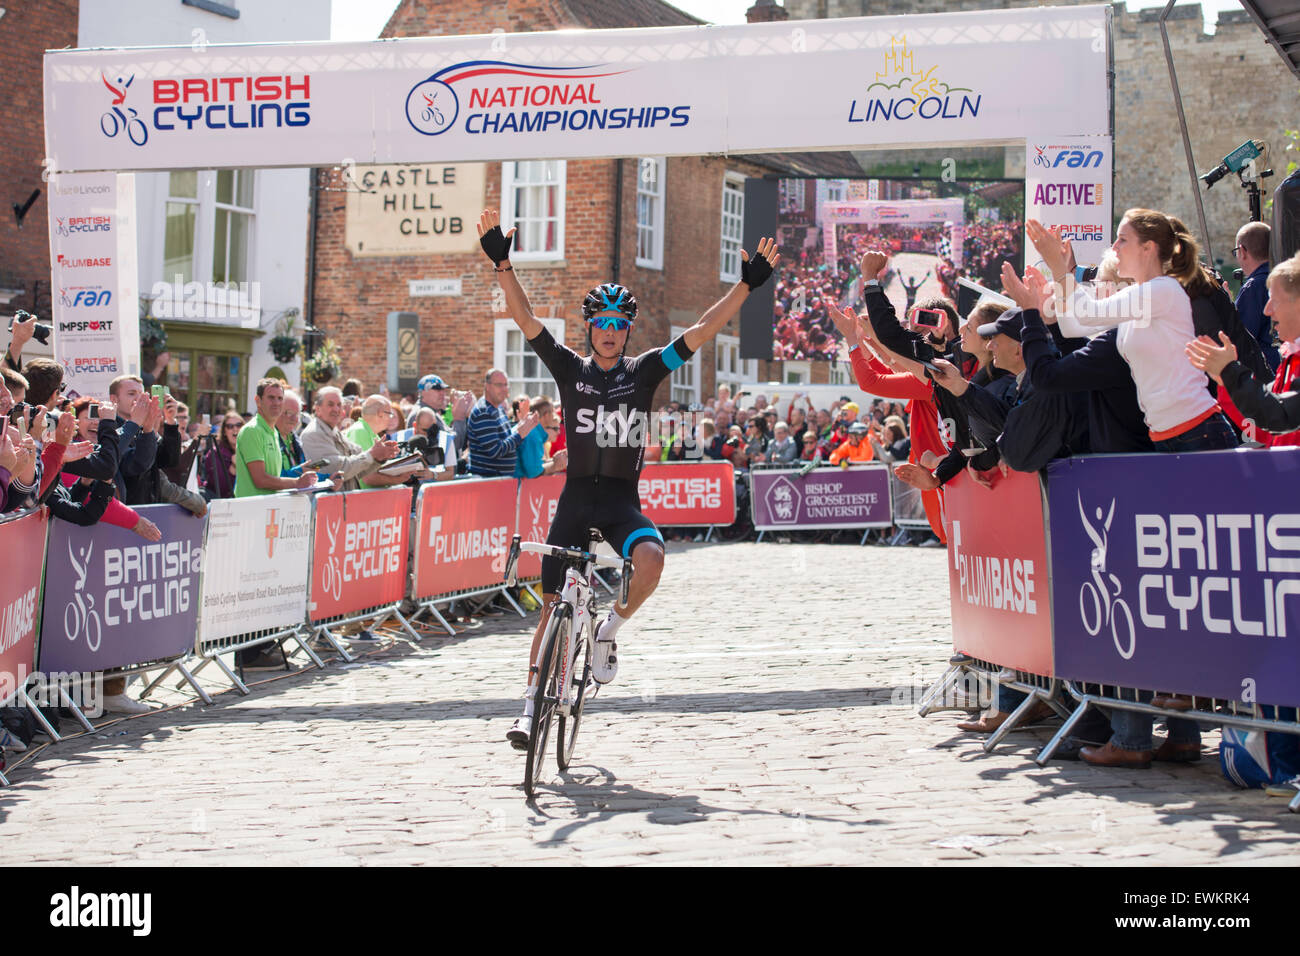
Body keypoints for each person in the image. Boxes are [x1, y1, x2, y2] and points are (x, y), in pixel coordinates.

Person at [477, 208, 778, 750]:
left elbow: (701, 331)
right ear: (590, 328)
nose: (611, 333)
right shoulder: (570, 369)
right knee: (550, 608)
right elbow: (524, 319)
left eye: (620, 325)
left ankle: (609, 629)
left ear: (627, 331)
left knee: (654, 560)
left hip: (619, 504)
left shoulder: (644, 372)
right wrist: (502, 263)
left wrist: (745, 288)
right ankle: (527, 711)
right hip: (574, 503)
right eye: (603, 324)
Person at [1187, 252, 1300, 434]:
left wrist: (1229, 371)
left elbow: (1279, 417)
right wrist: (1225, 380)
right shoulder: (1290, 357)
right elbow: (1263, 430)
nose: (1267, 310)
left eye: (1276, 300)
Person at [300, 386, 400, 492]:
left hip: (340, 502)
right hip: (325, 505)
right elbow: (338, 469)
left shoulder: (335, 432)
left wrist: (380, 456)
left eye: (339, 405)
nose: (336, 409)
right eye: (330, 404)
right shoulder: (314, 434)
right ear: (318, 409)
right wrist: (372, 454)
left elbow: (358, 468)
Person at [234, 379, 318, 497]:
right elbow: (260, 480)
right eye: (271, 398)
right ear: (258, 401)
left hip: (270, 508)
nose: (276, 403)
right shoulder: (252, 430)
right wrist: (297, 482)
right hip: (251, 510)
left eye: (280, 398)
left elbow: (275, 477)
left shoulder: (273, 432)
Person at [467, 369, 538, 477]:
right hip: (487, 481)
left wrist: (522, 425)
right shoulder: (484, 412)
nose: (504, 389)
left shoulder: (498, 408)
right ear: (487, 386)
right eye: (499, 385)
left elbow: (506, 437)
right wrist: (520, 434)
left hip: (499, 481)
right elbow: (496, 451)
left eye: (506, 385)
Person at [1234, 221, 1276, 371]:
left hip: (1266, 372)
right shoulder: (1283, 280)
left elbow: (1241, 338)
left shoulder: (1253, 288)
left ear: (1242, 251)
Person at [514, 397, 568, 478]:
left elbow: (535, 465)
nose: (554, 415)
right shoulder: (532, 432)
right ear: (546, 415)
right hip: (510, 487)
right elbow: (534, 472)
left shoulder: (532, 430)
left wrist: (554, 461)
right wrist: (555, 465)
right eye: (553, 412)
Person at [203, 412, 242, 499]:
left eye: (239, 425)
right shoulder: (215, 453)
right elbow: (221, 489)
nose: (235, 429)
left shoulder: (251, 450)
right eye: (230, 426)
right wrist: (233, 467)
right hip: (221, 505)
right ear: (224, 431)